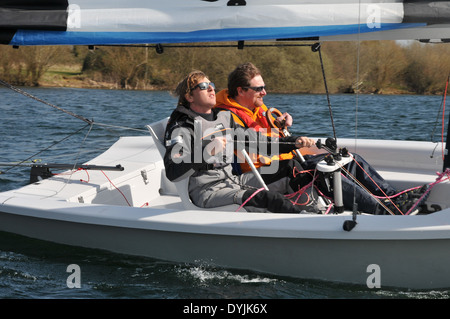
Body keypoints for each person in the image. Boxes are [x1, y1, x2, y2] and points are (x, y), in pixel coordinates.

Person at [215, 62, 428, 215]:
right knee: (320, 173)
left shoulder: (262, 111)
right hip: (261, 174)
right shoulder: (226, 117)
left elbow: (273, 136)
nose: (265, 92)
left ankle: (393, 198)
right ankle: (384, 211)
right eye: (259, 89)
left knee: (345, 159)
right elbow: (254, 147)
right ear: (241, 90)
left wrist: (283, 125)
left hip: (286, 163)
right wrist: (288, 140)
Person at [163, 70, 319, 214]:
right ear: (189, 97)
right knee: (270, 199)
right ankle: (306, 225)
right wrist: (206, 151)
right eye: (204, 86)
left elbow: (258, 142)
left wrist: (293, 142)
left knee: (291, 168)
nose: (211, 89)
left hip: (233, 181)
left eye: (212, 85)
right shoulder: (182, 126)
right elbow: (173, 172)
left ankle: (316, 211)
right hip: (208, 191)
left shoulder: (224, 118)